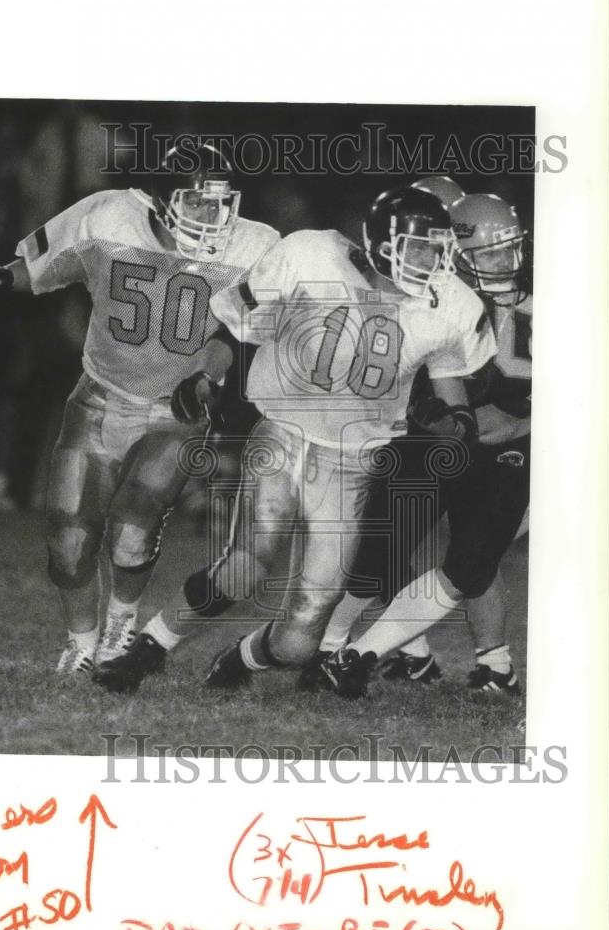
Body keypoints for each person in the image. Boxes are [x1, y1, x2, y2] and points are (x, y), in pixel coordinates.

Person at [94, 185, 497, 693]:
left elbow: (457, 394)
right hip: (282, 435)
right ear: (381, 243)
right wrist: (205, 378)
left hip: (353, 462)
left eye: (437, 249)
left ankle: (240, 659)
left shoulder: (449, 304)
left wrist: (453, 425)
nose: (431, 261)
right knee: (243, 570)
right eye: (419, 247)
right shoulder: (309, 254)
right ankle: (150, 646)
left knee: (301, 639)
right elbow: (235, 329)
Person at [0, 142, 280, 675]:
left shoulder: (255, 245)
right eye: (195, 201)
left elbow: (239, 325)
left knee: (134, 526)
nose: (211, 215)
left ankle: (120, 627)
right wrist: (0, 277)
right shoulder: (106, 216)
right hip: (99, 398)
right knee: (68, 539)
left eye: (218, 202)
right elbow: (42, 266)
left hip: (177, 411)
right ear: (157, 199)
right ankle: (81, 644)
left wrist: (209, 375)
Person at [322, 193, 531, 700]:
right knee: (383, 549)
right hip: (438, 440)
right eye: (490, 254)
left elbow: (507, 396)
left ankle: (487, 664)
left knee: (472, 562)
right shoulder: (434, 296)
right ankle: (335, 645)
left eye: (509, 251)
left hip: (502, 445)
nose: (504, 264)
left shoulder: (517, 298)